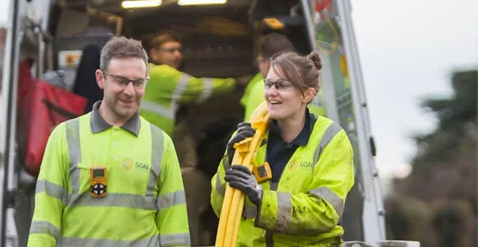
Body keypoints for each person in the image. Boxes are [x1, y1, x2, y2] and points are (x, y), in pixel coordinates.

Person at [29, 36, 191, 247]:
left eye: (138, 82)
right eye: (121, 81)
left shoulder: (161, 143)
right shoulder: (65, 137)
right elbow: (44, 222)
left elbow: (175, 230)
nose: (130, 91)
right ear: (101, 79)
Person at [210, 51, 355, 247]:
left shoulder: (331, 140)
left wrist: (262, 198)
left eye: (282, 85)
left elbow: (325, 212)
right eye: (268, 84)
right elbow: (221, 208)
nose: (270, 92)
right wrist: (230, 160)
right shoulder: (252, 140)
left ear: (308, 94)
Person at [140, 30, 253, 134]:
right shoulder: (163, 74)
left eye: (179, 50)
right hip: (154, 137)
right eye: (171, 50)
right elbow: (200, 87)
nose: (177, 55)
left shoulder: (148, 71)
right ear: (154, 54)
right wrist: (236, 83)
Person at [241, 33, 326, 121]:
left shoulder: (261, 88)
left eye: (260, 61)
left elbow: (251, 128)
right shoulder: (315, 88)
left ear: (268, 63)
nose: (259, 67)